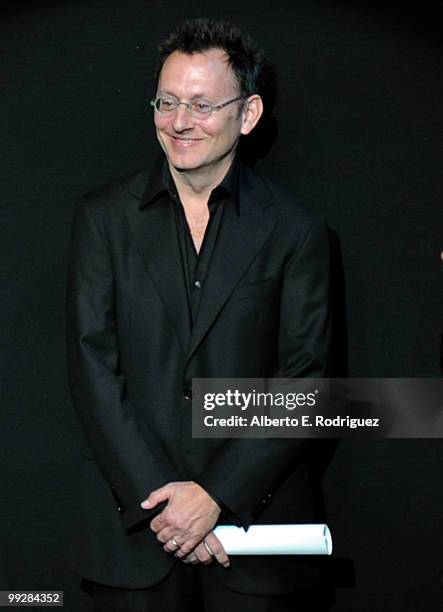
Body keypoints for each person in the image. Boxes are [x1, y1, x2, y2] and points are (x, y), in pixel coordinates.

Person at [65, 18, 333, 612]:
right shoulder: (102, 218)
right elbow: (92, 367)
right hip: (132, 534)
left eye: (202, 104)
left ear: (249, 112)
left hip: (257, 542)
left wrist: (216, 494)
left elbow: (306, 378)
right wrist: (166, 507)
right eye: (167, 101)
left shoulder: (297, 229)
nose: (179, 121)